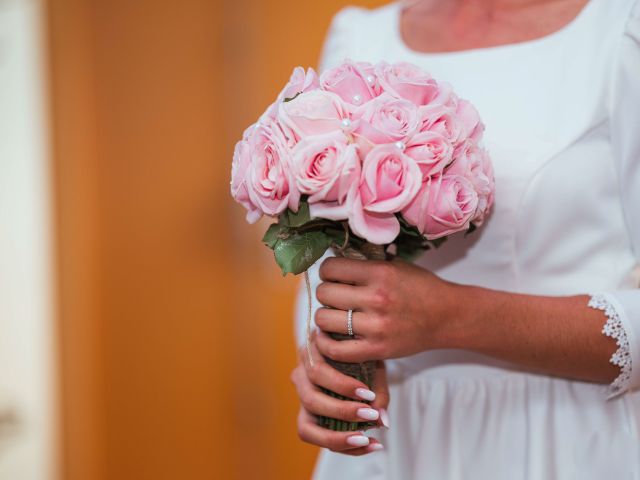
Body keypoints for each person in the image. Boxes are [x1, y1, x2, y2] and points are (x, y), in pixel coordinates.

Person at [290, 0, 640, 478]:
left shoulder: (621, 31)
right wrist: (327, 365)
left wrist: (451, 317)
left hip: (563, 440)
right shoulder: (360, 37)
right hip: (394, 445)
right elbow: (325, 265)